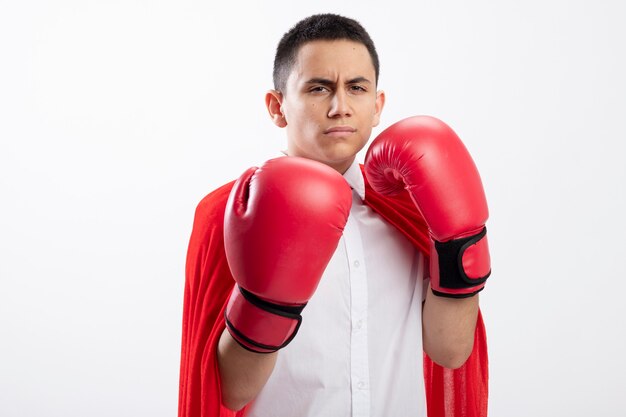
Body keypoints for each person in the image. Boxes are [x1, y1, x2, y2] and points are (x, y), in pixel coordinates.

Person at [178, 13, 490, 417]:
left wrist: (460, 243)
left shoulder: (412, 209)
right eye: (319, 88)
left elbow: (450, 352)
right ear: (277, 107)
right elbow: (229, 392)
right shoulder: (226, 212)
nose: (340, 107)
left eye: (356, 88)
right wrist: (268, 301)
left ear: (377, 106)